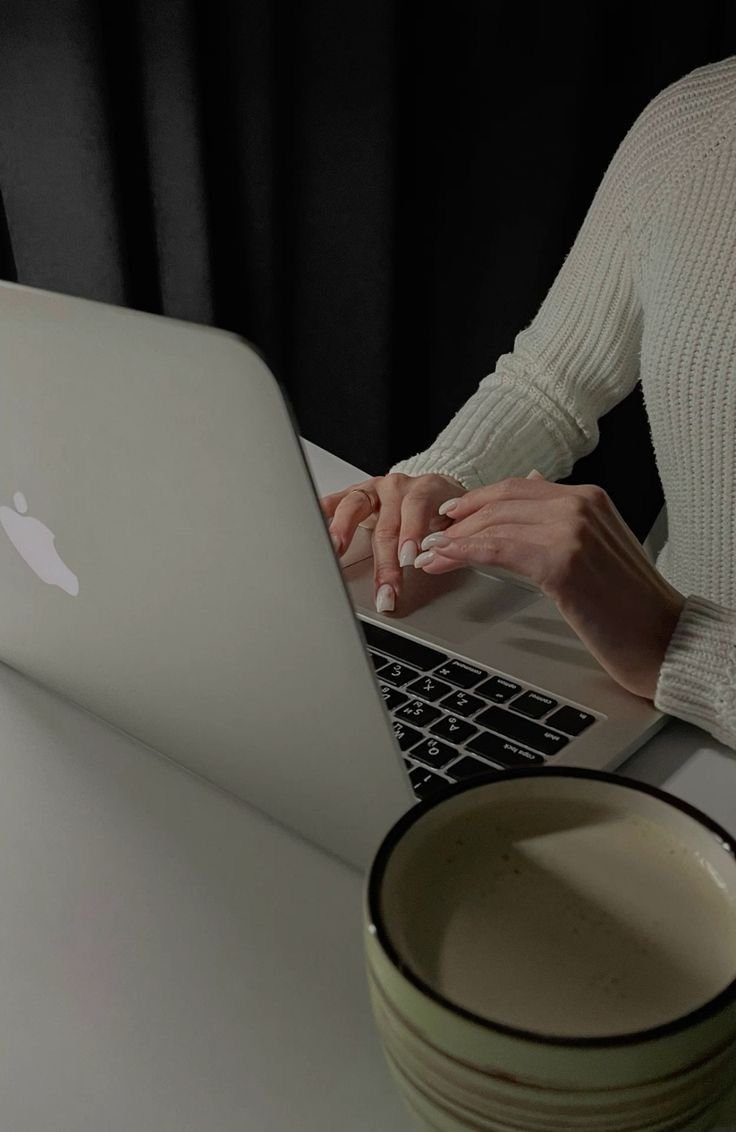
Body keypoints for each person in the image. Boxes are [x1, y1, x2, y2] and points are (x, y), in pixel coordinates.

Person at [321, 55, 736, 751]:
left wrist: (681, 647)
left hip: (666, 663)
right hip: (645, 700)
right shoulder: (701, 117)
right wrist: (438, 482)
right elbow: (552, 378)